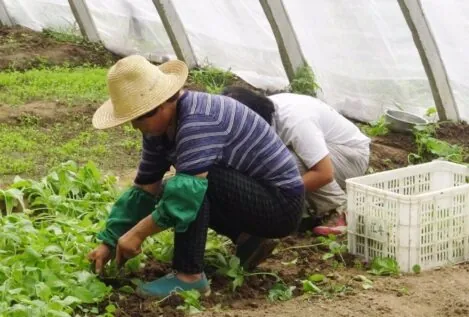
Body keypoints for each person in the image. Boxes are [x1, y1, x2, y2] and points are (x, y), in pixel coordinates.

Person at [87, 55, 305, 298]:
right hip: (254, 196)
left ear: (161, 105)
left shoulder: (198, 120)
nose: (135, 127)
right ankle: (250, 239)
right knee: (179, 186)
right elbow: (145, 188)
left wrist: (137, 234)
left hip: (281, 204)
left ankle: (189, 276)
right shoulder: (158, 131)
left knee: (188, 187)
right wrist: (109, 240)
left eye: (138, 118)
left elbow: (185, 196)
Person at [222, 87, 370, 236]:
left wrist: (276, 194)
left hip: (352, 156)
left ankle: (337, 210)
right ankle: (306, 207)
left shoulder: (294, 121)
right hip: (329, 153)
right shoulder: (266, 113)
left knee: (286, 162)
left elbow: (324, 174)